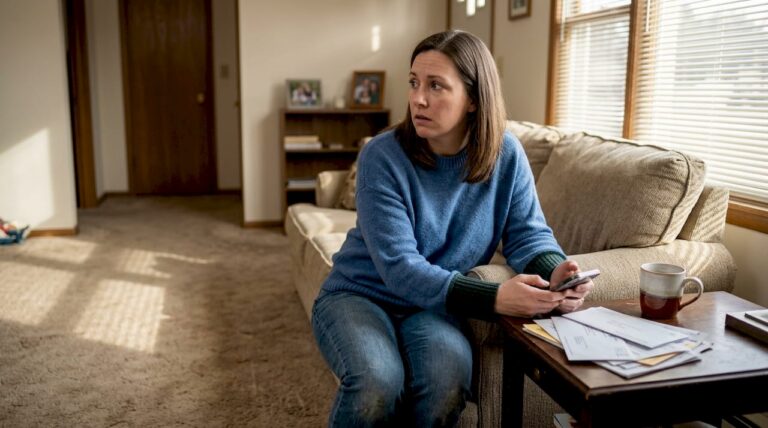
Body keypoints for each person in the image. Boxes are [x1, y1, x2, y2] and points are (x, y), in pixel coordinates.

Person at [311, 30, 593, 427]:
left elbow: (528, 234)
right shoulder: (383, 155)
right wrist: (496, 298)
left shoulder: (506, 155)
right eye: (414, 83)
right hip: (359, 295)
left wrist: (556, 271)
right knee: (378, 382)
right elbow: (399, 267)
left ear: (474, 99)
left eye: (436, 86)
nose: (418, 98)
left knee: (447, 381)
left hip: (433, 305)